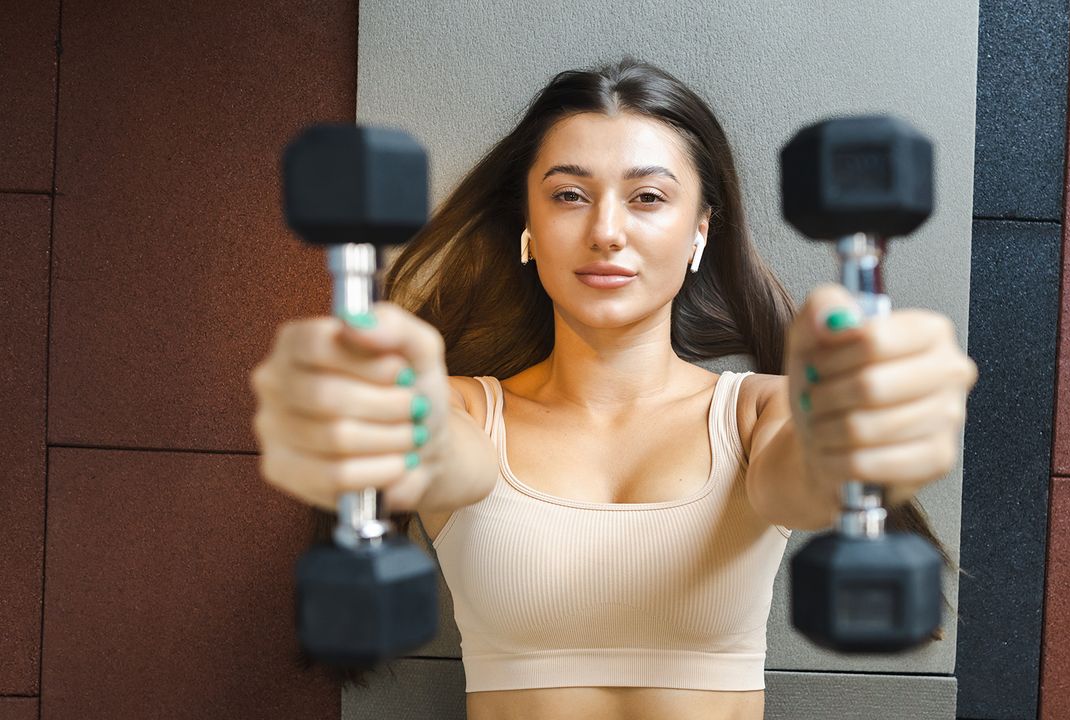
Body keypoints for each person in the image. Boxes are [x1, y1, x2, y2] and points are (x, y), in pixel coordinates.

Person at [251, 58, 978, 720]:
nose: (606, 231)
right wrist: (383, 418)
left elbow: (807, 473)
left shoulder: (757, 413)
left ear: (699, 231)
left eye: (647, 198)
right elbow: (440, 452)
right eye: (569, 194)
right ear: (527, 226)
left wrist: (852, 430)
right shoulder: (466, 410)